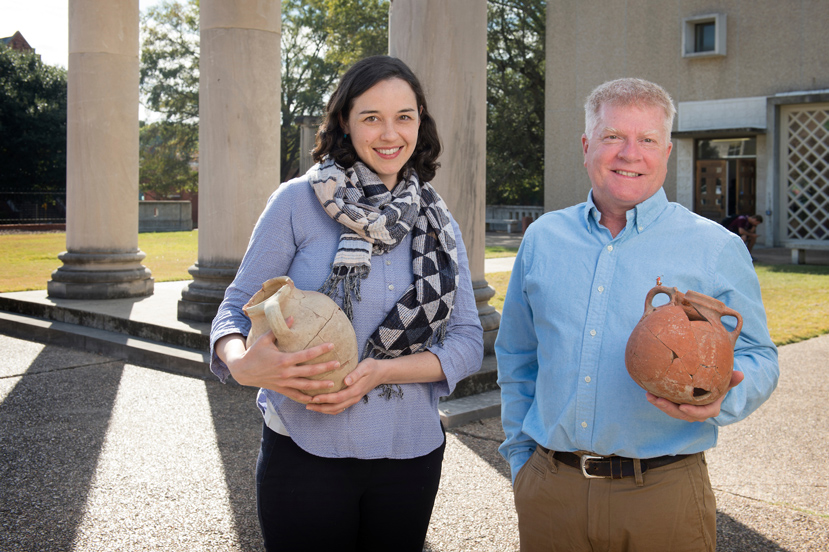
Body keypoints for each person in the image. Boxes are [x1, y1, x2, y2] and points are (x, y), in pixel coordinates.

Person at [210, 55, 483, 552]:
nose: (389, 133)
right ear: (344, 122)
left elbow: (466, 341)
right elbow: (234, 307)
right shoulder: (296, 202)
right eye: (371, 117)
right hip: (303, 450)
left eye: (404, 116)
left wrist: (378, 372)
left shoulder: (438, 222)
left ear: (420, 122)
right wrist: (242, 363)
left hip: (410, 455)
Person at [496, 78, 779, 552]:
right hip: (550, 493)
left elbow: (759, 355)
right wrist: (522, 461)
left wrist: (722, 397)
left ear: (666, 151)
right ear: (587, 146)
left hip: (663, 495)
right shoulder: (543, 238)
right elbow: (518, 354)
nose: (630, 153)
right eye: (612, 137)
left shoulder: (715, 247)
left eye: (646, 139)